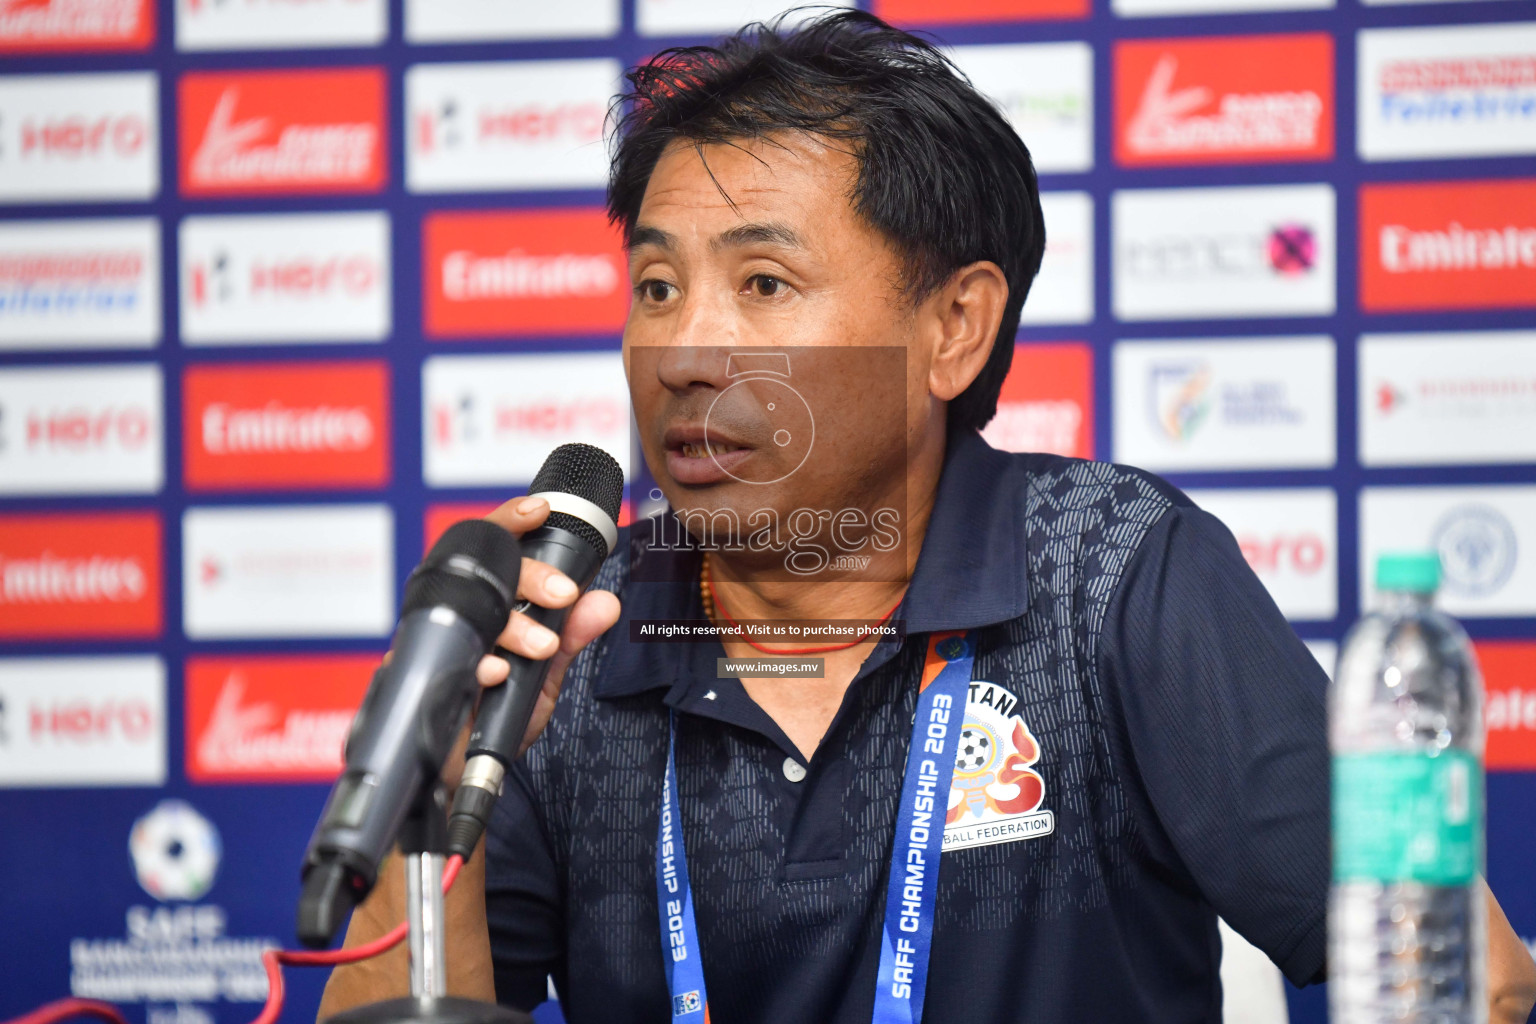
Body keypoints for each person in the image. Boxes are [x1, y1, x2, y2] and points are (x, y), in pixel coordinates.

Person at [321, 10, 1536, 1023]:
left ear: (953, 328)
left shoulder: (1114, 573)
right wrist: (429, 805)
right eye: (654, 285)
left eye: (763, 283)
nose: (684, 348)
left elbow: (1469, 978)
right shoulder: (572, 642)